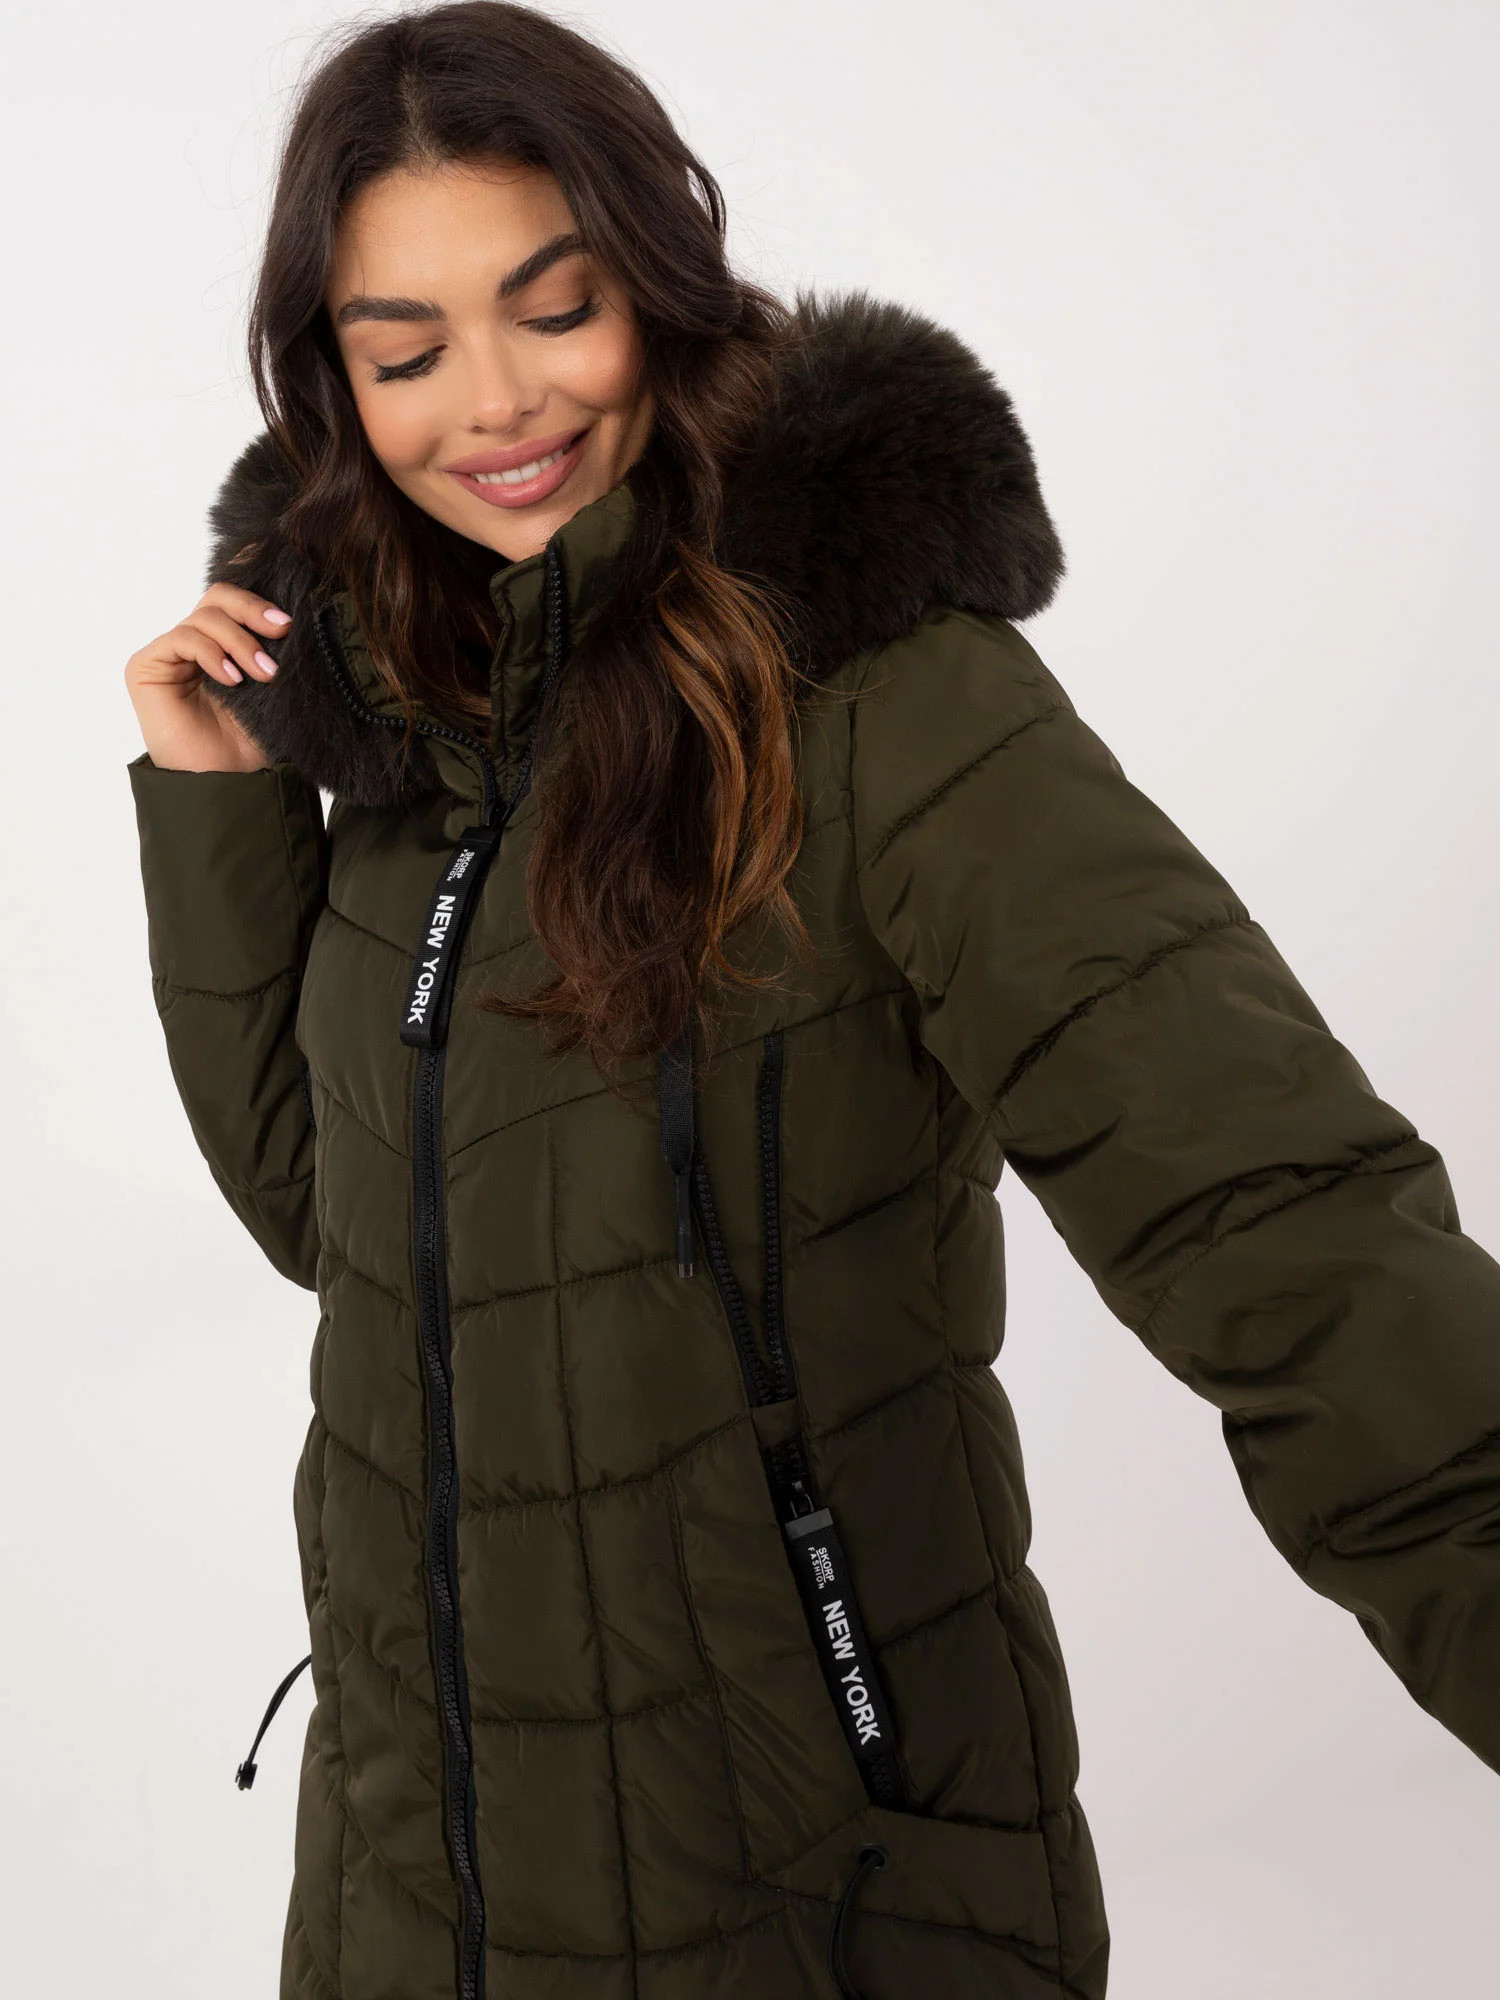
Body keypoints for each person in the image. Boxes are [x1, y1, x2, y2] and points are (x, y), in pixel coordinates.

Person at [123, 6, 1500, 1998]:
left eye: (555, 309)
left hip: (809, 1898)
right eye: (405, 353)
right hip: (408, 1896)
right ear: (335, 383)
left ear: (658, 284)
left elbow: (1280, 1230)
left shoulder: (885, 702)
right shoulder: (412, 734)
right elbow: (333, 1223)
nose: (494, 404)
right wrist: (221, 809)